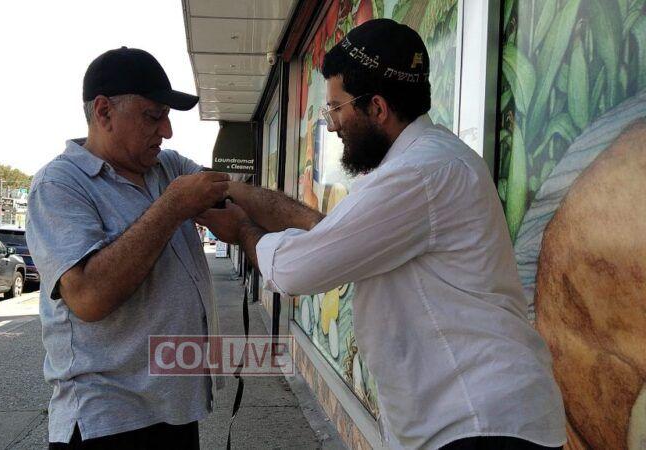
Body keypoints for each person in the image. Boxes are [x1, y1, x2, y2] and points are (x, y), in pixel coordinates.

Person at [198, 19, 567, 450]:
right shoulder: (430, 162)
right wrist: (238, 191)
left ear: (376, 107)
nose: (332, 125)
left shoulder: (418, 174)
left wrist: (242, 230)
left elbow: (296, 269)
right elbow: (327, 231)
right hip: (471, 419)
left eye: (336, 109)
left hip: (477, 421)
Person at [26, 47, 228, 449]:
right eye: (153, 116)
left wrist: (322, 228)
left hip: (175, 409)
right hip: (108, 419)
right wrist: (172, 206)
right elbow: (88, 297)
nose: (167, 131)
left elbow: (235, 202)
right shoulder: (58, 184)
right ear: (104, 112)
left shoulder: (167, 167)